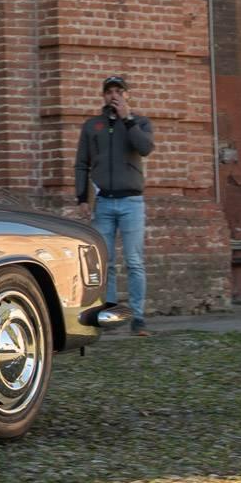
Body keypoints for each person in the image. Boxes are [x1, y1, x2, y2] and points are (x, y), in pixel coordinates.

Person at [75, 74, 154, 335]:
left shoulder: (139, 122)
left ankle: (138, 318)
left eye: (119, 91)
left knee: (134, 261)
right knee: (106, 262)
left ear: (127, 95)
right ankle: (110, 317)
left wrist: (127, 119)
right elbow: (82, 163)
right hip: (104, 203)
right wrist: (82, 199)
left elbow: (145, 148)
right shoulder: (92, 126)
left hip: (132, 202)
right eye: (109, 91)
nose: (114, 96)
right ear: (103, 96)